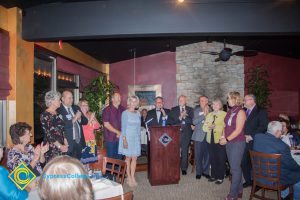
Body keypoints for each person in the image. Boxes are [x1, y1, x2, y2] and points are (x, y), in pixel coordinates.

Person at [253, 121, 300, 199]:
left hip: (258, 175)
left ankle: (283, 195)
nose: (281, 133)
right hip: (275, 179)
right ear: (278, 131)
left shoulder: (257, 137)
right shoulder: (282, 146)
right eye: (281, 131)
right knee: (297, 174)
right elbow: (290, 165)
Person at [220, 91, 246, 200]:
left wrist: (226, 139)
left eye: (229, 98)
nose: (227, 100)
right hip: (229, 142)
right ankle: (239, 190)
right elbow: (225, 126)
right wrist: (222, 136)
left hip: (238, 142)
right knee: (234, 167)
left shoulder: (241, 112)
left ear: (235, 99)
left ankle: (233, 195)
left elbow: (238, 130)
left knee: (234, 169)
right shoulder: (230, 111)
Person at [242, 94, 268, 188]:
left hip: (255, 140)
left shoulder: (261, 111)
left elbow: (263, 126)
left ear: (252, 100)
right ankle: (248, 180)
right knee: (243, 161)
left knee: (254, 162)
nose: (244, 102)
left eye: (245, 100)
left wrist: (251, 136)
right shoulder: (244, 111)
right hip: (243, 140)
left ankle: (256, 181)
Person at [57, 90, 88, 160]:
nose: (71, 100)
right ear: (63, 99)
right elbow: (63, 125)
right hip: (68, 142)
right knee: (68, 164)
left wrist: (79, 118)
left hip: (78, 140)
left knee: (78, 163)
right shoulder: (58, 110)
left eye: (72, 98)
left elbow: (85, 121)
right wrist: (75, 117)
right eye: (69, 98)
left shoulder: (76, 108)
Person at [118, 96, 141, 187]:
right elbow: (123, 128)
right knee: (128, 158)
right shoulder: (125, 113)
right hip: (127, 137)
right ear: (129, 102)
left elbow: (138, 127)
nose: (134, 103)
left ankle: (133, 176)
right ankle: (129, 177)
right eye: (132, 101)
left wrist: (139, 139)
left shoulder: (138, 113)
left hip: (135, 138)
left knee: (134, 158)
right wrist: (124, 140)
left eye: (135, 101)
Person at [203, 99, 227, 184]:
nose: (215, 106)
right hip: (210, 140)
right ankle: (213, 175)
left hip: (220, 139)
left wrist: (215, 127)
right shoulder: (209, 115)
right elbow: (204, 128)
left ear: (220, 106)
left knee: (220, 158)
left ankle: (220, 176)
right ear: (212, 106)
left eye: (217, 104)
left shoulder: (225, 114)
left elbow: (226, 128)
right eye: (213, 104)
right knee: (212, 158)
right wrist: (209, 127)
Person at [168, 95, 194, 175]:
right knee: (174, 151)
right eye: (179, 99)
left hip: (186, 134)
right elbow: (170, 121)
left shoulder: (190, 109)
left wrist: (185, 117)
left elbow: (193, 120)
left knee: (185, 151)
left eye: (182, 100)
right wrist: (180, 117)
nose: (181, 101)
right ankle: (174, 167)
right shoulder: (173, 109)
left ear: (185, 101)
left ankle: (184, 168)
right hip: (176, 133)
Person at [40, 91, 68, 163]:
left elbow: (62, 129)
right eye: (59, 100)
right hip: (52, 147)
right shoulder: (45, 115)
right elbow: (48, 134)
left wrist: (65, 142)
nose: (60, 102)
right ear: (52, 101)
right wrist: (60, 146)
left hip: (62, 145)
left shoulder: (57, 113)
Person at [191, 95, 210, 179]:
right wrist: (204, 115)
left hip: (209, 136)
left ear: (207, 101)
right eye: (200, 101)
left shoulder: (212, 110)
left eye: (203, 100)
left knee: (208, 155)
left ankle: (205, 172)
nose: (201, 102)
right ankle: (198, 172)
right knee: (198, 155)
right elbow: (194, 122)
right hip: (198, 136)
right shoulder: (196, 110)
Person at [102, 92, 125, 159]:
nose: (120, 99)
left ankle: (118, 170)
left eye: (120, 97)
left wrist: (121, 132)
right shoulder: (107, 110)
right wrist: (118, 132)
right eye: (118, 97)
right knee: (111, 160)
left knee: (119, 159)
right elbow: (106, 124)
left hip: (120, 138)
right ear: (112, 99)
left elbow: (126, 123)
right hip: (110, 139)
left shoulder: (123, 109)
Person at [79, 99, 100, 166]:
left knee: (89, 162)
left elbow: (98, 126)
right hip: (84, 142)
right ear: (79, 106)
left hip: (91, 141)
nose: (85, 106)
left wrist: (94, 120)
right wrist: (91, 120)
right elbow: (83, 129)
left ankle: (88, 175)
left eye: (86, 105)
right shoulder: (79, 116)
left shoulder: (89, 114)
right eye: (83, 105)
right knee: (83, 162)